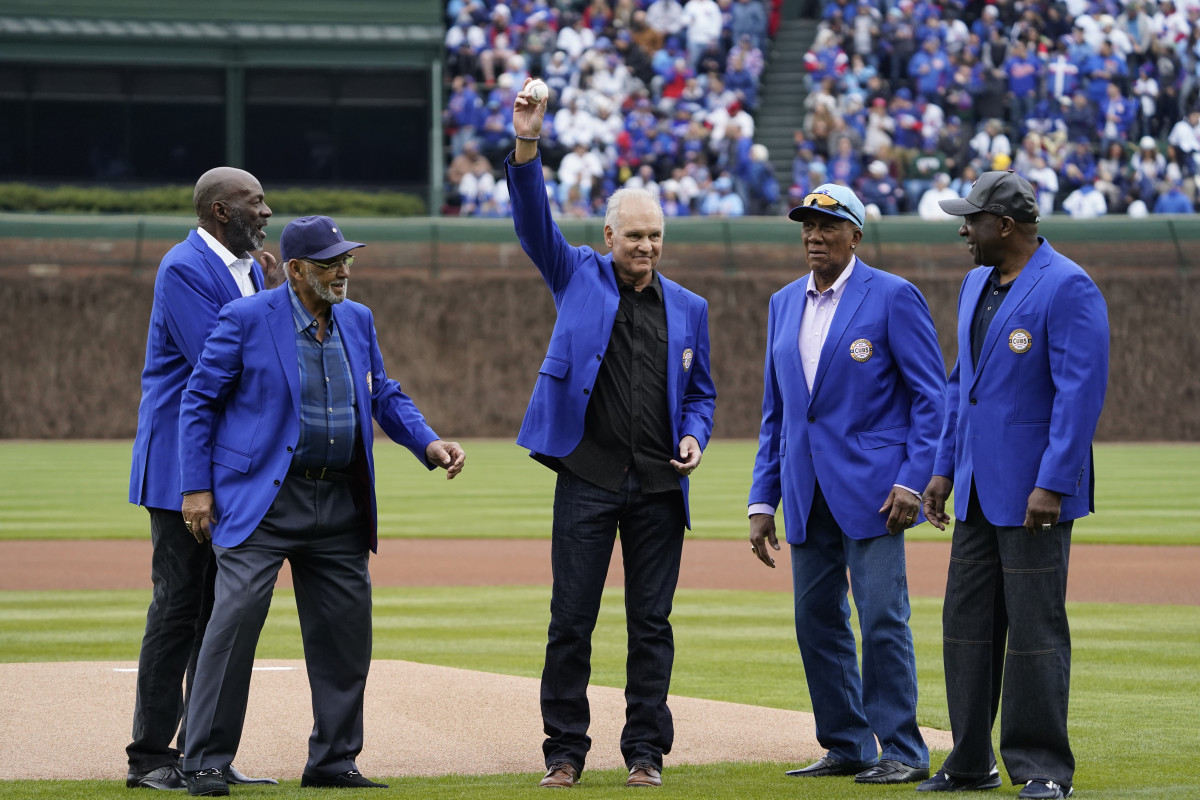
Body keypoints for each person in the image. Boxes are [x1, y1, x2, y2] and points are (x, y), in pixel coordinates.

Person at [176, 216, 466, 796]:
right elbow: (199, 400)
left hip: (338, 502)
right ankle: (204, 760)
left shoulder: (357, 319)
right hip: (263, 501)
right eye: (331, 261)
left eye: (347, 259)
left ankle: (333, 761)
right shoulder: (246, 318)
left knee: (344, 637)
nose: (343, 270)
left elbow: (382, 391)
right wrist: (196, 488)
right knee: (231, 629)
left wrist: (427, 442)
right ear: (296, 269)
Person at [505, 78, 717, 790]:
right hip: (588, 477)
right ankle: (564, 752)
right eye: (635, 236)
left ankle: (645, 753)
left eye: (656, 236)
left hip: (661, 486)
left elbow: (703, 394)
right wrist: (529, 138)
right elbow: (533, 220)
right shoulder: (576, 275)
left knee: (651, 626)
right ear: (608, 237)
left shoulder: (690, 307)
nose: (647, 247)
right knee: (571, 620)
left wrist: (695, 437)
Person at [747, 183, 945, 786]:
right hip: (807, 492)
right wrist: (763, 498)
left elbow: (931, 400)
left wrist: (913, 481)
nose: (814, 236)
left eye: (828, 227)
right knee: (817, 623)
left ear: (856, 234)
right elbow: (777, 414)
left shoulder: (892, 296)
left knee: (883, 617)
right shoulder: (784, 302)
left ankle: (904, 751)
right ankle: (847, 744)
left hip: (877, 494)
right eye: (807, 226)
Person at [923, 171, 1109, 799]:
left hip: (1035, 496)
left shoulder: (1069, 286)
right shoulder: (975, 283)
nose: (962, 229)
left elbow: (1078, 396)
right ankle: (970, 762)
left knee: (1035, 633)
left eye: (970, 219)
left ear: (1004, 226)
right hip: (975, 489)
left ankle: (1044, 770)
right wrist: (944, 470)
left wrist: (1053, 483)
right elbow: (959, 388)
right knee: (964, 630)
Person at [126, 167, 277, 791]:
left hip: (227, 467)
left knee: (218, 613)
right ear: (221, 211)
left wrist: (267, 289)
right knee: (178, 609)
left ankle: (202, 754)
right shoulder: (185, 267)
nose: (267, 212)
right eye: (255, 202)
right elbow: (225, 357)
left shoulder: (245, 269)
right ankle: (150, 758)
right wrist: (272, 301)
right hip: (178, 471)